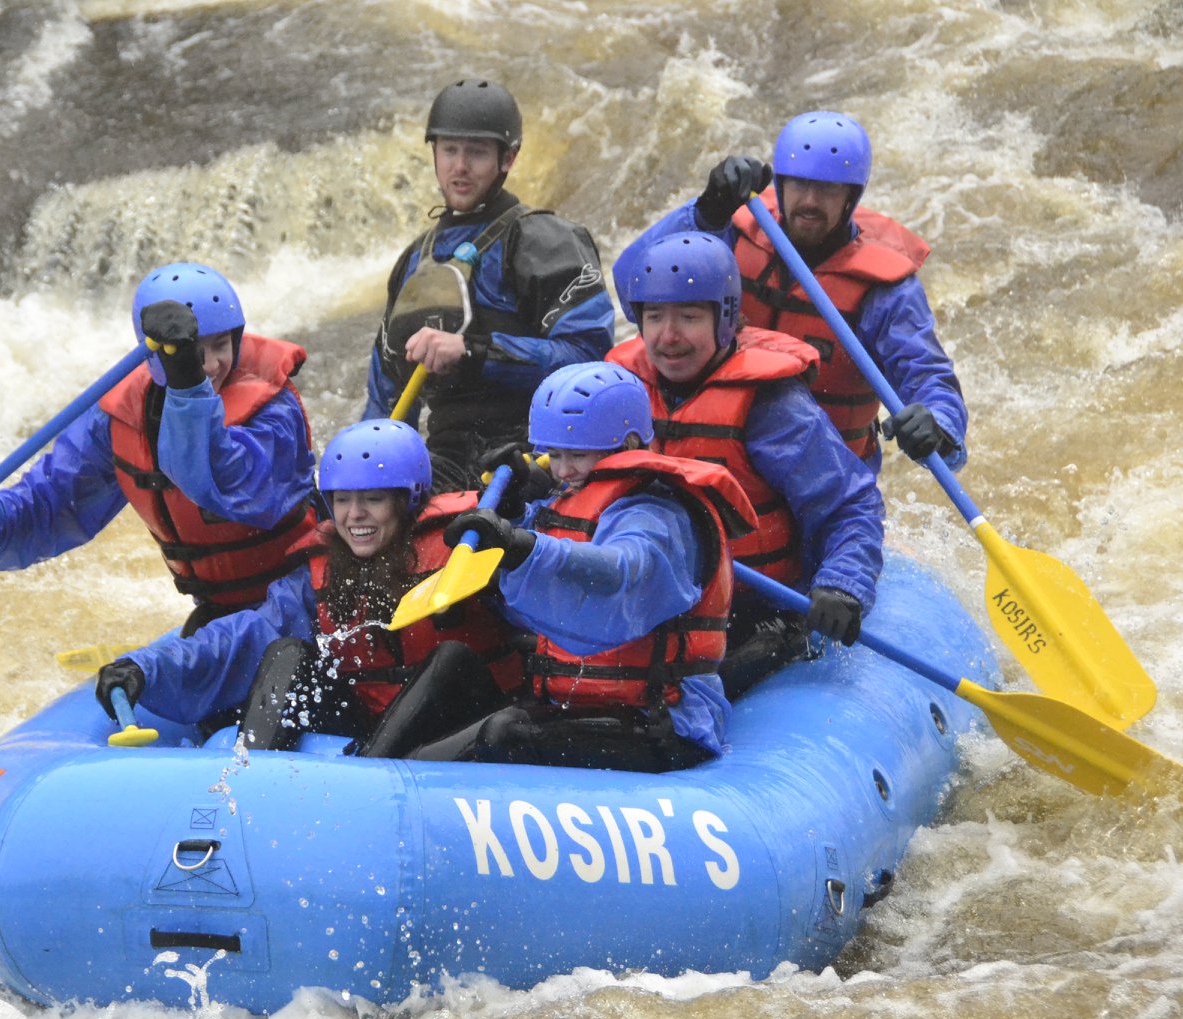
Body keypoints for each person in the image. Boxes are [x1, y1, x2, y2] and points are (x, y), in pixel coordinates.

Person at [0, 262, 316, 637]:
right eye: (194, 352)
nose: (209, 365)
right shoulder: (120, 415)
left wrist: (187, 383)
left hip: (306, 599)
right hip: (221, 611)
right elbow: (53, 500)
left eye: (221, 345)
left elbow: (227, 482)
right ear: (151, 354)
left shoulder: (273, 410)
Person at [381, 362, 757, 771]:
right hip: (571, 701)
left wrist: (520, 545)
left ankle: (398, 784)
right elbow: (539, 594)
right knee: (453, 659)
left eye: (576, 455)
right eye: (553, 455)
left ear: (628, 444)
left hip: (660, 723)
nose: (561, 471)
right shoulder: (568, 496)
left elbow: (619, 574)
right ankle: (372, 767)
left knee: (505, 733)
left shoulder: (657, 513)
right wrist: (513, 513)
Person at [93, 420, 525, 750]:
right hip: (372, 723)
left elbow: (548, 598)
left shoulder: (469, 547)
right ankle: (247, 780)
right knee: (288, 653)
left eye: (373, 500)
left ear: (407, 500)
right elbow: (243, 636)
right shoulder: (322, 572)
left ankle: (370, 774)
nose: (354, 515)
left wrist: (522, 521)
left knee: (451, 658)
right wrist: (145, 667)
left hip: (464, 725)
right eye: (342, 500)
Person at [609, 231, 885, 697]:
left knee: (676, 686)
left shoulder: (772, 406)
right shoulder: (620, 386)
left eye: (689, 317)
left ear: (726, 320)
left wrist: (843, 584)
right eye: (654, 317)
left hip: (756, 605)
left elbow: (851, 504)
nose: (667, 336)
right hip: (656, 593)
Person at [612, 110, 967, 472]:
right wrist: (704, 214)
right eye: (798, 185)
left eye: (827, 189)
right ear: (780, 185)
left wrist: (938, 425)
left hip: (819, 473)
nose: (809, 202)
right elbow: (630, 290)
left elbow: (926, 373)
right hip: (713, 448)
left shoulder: (884, 291)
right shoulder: (733, 233)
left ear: (851, 197)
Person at [362, 79, 615, 492]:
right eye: (449, 150)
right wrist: (367, 473)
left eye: (476, 152)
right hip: (447, 461)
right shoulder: (413, 261)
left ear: (508, 159)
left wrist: (474, 351)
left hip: (538, 455)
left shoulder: (544, 241)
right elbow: (384, 395)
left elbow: (588, 359)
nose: (459, 166)